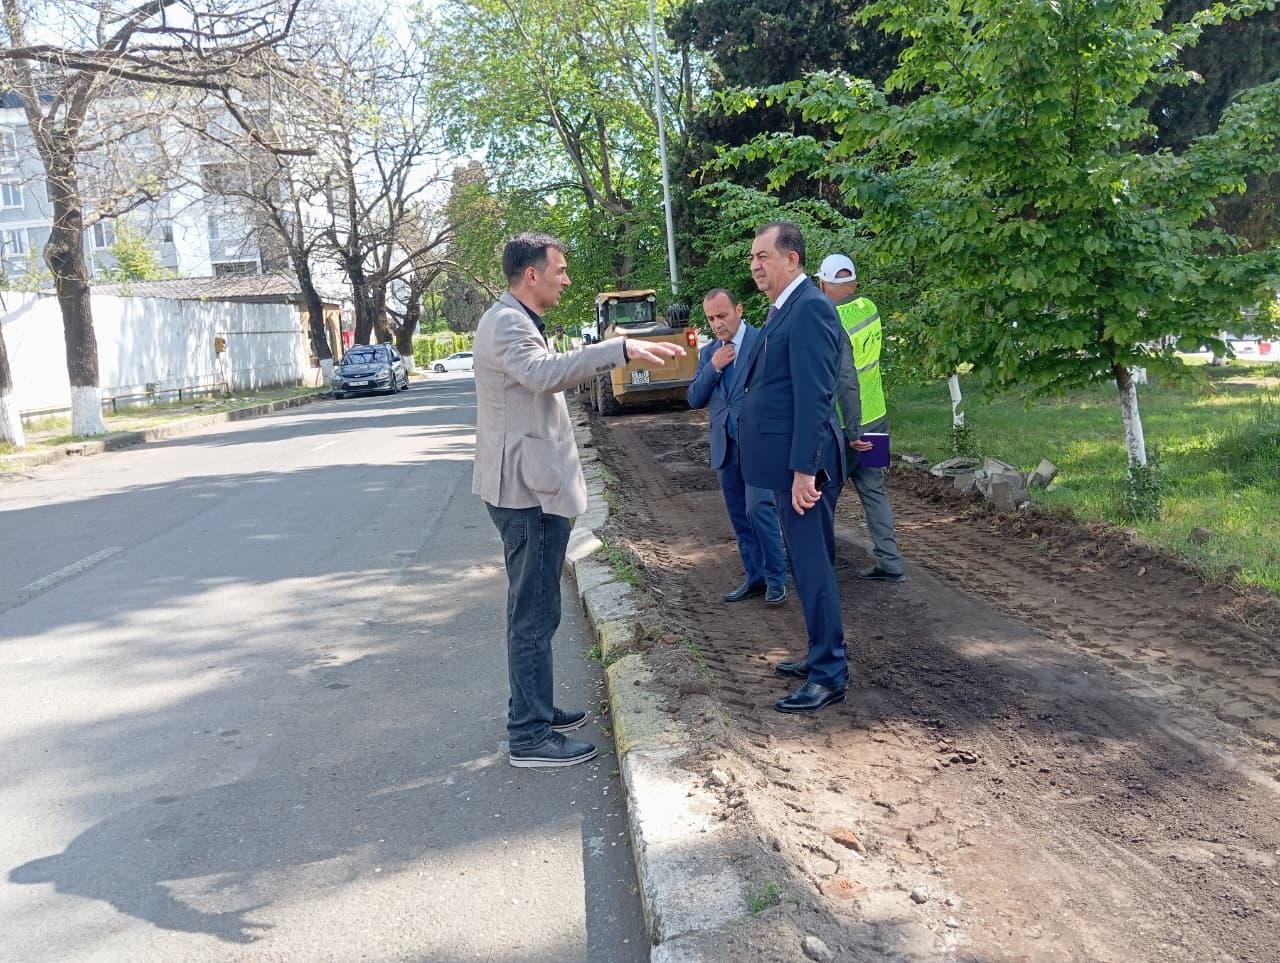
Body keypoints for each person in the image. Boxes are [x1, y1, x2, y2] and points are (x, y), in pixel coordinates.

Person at [473, 232, 684, 767]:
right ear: (531, 275)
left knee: (537, 609)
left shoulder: (516, 321)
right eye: (560, 270)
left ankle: (533, 707)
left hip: (532, 487)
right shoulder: (506, 324)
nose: (566, 279)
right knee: (534, 613)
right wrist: (619, 348)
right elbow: (544, 375)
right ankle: (529, 734)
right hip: (526, 494)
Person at [737, 221, 849, 714]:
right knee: (809, 567)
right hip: (790, 468)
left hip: (805, 470)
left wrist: (805, 470)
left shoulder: (810, 310)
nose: (756, 265)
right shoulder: (785, 309)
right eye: (753, 258)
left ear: (793, 259)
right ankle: (819, 653)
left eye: (763, 256)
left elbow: (814, 397)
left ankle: (830, 674)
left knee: (814, 568)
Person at [687, 288, 788, 607]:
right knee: (739, 516)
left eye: (722, 315)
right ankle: (754, 576)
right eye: (711, 318)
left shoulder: (763, 343)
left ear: (739, 310)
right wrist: (714, 367)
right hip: (725, 447)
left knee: (760, 509)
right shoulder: (708, 354)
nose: (717, 324)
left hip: (759, 445)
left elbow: (779, 394)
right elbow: (694, 398)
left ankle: (776, 578)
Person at [816, 253, 905, 583]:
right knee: (874, 490)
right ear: (853, 283)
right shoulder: (869, 309)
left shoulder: (829, 319)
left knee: (824, 493)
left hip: (846, 424)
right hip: (877, 417)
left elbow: (844, 378)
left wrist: (850, 428)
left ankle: (821, 563)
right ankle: (890, 560)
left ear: (823, 283)